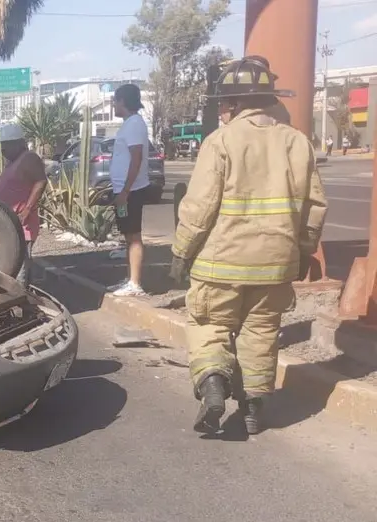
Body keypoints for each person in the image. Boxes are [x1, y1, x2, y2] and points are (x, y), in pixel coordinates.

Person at [169, 56, 327, 436]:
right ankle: (254, 407)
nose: (221, 111)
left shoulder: (220, 141)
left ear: (234, 103)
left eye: (223, 103)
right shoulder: (297, 142)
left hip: (220, 264)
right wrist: (304, 251)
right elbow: (314, 207)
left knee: (210, 325)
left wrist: (180, 252)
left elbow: (199, 206)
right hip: (275, 265)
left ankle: (213, 386)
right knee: (261, 332)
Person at [104, 84, 154, 297]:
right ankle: (130, 279)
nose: (114, 105)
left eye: (116, 101)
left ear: (124, 101)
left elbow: (136, 158)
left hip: (131, 191)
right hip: (124, 190)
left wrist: (125, 191)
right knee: (128, 235)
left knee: (133, 236)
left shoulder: (134, 124)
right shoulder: (130, 124)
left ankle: (135, 283)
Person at [0, 123, 47, 285]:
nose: (3, 150)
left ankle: (20, 301)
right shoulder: (13, 161)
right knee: (15, 265)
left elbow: (41, 182)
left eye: (7, 145)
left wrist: (27, 210)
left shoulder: (29, 158)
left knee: (19, 267)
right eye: (2, 145)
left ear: (18, 143)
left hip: (22, 224)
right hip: (10, 223)